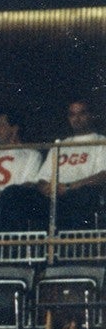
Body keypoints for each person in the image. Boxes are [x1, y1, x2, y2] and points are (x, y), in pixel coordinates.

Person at [36, 99, 106, 231]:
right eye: (72, 115)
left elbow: (102, 175)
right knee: (17, 194)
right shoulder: (59, 145)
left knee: (83, 195)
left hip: (82, 194)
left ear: (91, 115)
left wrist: (68, 187)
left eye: (82, 114)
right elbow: (42, 178)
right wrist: (46, 187)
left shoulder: (101, 141)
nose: (77, 119)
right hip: (55, 195)